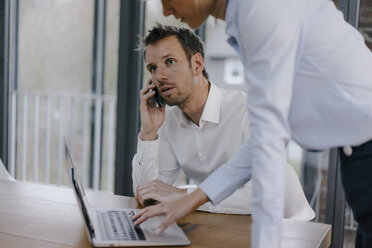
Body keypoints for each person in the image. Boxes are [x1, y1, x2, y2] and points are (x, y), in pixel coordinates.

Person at [133, 0, 372, 247]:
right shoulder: (249, 17)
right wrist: (192, 196)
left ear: (197, 64)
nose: (165, 10)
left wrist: (190, 197)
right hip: (358, 151)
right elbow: (262, 144)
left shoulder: (261, 10)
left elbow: (268, 145)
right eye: (152, 67)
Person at [133, 24, 314, 219]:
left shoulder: (249, 113)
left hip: (287, 227)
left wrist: (186, 197)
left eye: (169, 61)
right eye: (153, 68)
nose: (160, 76)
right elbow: (148, 194)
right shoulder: (169, 123)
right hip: (227, 223)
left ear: (197, 64)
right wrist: (148, 133)